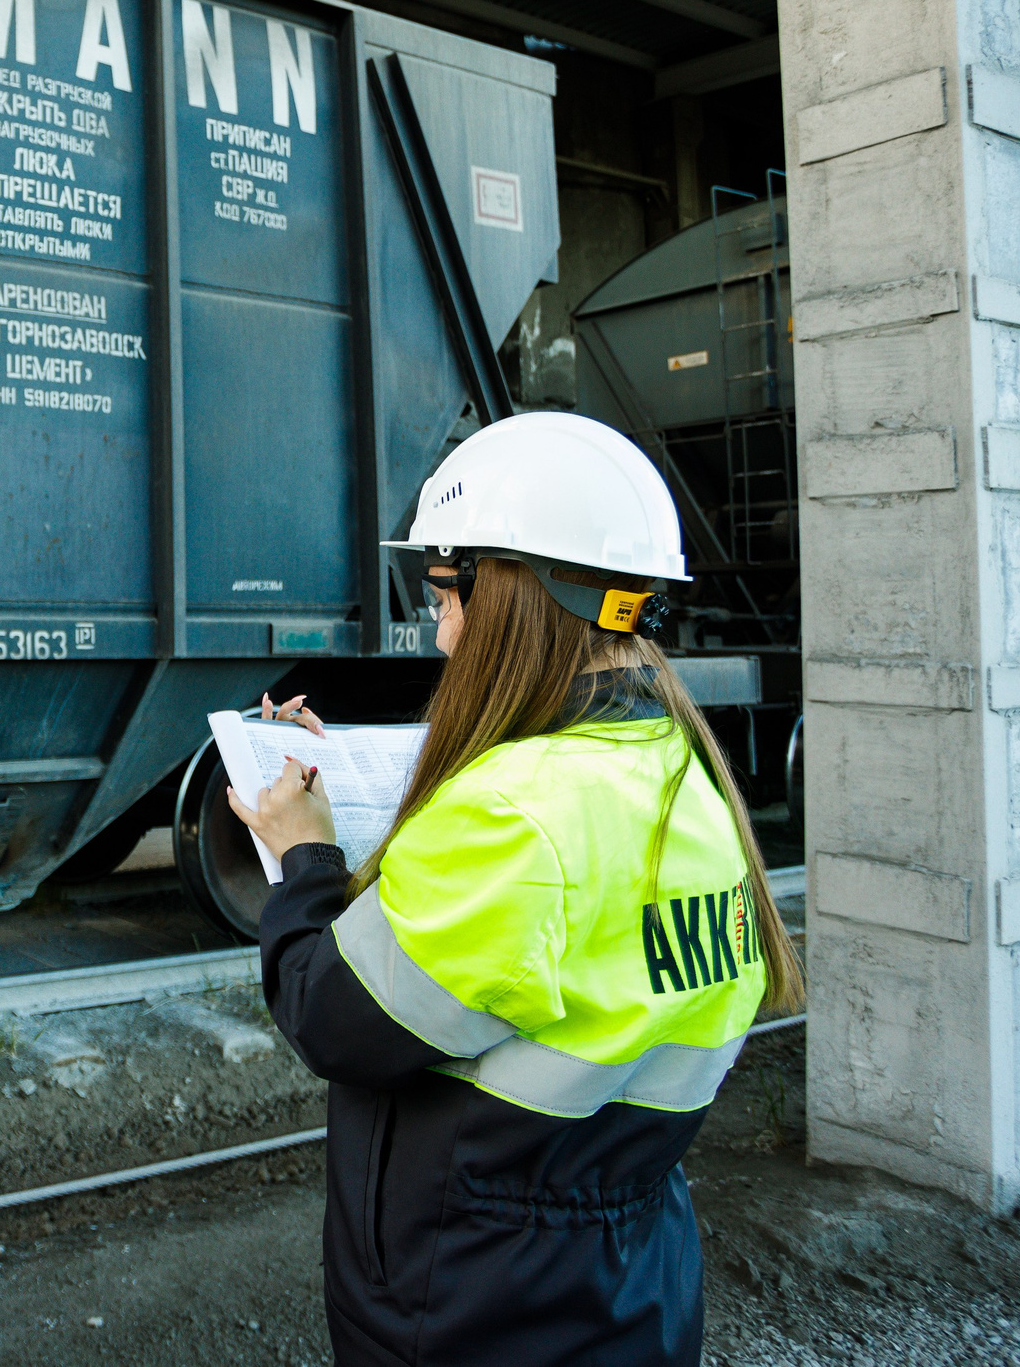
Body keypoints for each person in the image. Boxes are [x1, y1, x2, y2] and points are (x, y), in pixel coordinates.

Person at [229, 411, 802, 1367]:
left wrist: (305, 859)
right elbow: (537, 940)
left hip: (475, 1307)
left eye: (448, 591)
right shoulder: (685, 776)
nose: (444, 630)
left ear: (518, 593)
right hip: (630, 1287)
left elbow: (333, 1013)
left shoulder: (512, 813)